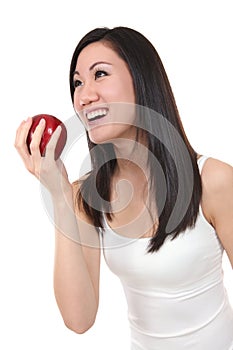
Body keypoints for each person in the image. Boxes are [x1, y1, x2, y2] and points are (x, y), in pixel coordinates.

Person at [15, 26, 233, 349]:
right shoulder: (86, 198)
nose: (84, 95)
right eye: (77, 83)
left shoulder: (213, 180)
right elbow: (79, 319)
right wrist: (59, 195)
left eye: (99, 74)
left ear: (141, 81)